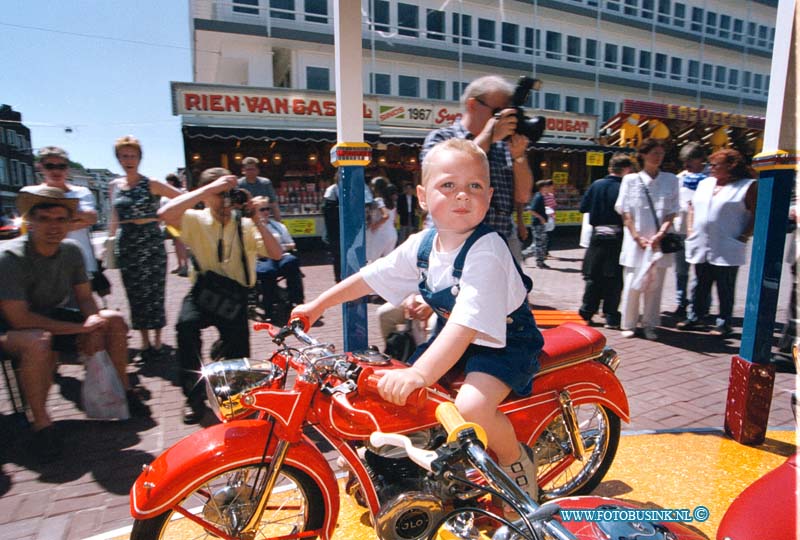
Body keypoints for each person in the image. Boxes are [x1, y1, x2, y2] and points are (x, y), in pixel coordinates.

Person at [291, 139, 543, 502]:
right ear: (423, 197)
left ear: (488, 197)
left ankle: (515, 460)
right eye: (448, 185)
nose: (462, 196)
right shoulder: (424, 244)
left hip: (505, 342)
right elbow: (370, 276)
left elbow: (463, 326)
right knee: (403, 394)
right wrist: (317, 304)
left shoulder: (487, 250)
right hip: (457, 338)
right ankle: (418, 464)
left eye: (474, 186)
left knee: (471, 406)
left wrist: (419, 374)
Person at [0, 187, 148, 462]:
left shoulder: (72, 250)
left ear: (70, 223)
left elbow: (84, 298)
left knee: (113, 321)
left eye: (60, 220)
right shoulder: (10, 257)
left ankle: (124, 392)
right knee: (38, 341)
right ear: (29, 222)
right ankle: (41, 426)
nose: (53, 227)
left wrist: (92, 321)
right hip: (9, 329)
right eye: (44, 219)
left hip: (52, 317)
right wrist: (80, 330)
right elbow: (19, 319)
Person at [158, 167, 283, 424]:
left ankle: (236, 399)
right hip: (204, 290)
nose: (225, 200)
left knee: (239, 353)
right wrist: (206, 190)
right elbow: (164, 214)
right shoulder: (195, 219)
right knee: (186, 327)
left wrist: (255, 217)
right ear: (205, 196)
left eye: (228, 193)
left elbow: (276, 253)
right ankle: (193, 398)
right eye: (219, 194)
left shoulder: (245, 224)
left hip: (235, 295)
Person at [420, 75, 534, 263]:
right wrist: (488, 136)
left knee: (513, 292)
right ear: (472, 104)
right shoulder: (441, 138)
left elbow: (522, 196)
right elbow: (453, 169)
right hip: (454, 241)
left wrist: (519, 157)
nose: (504, 118)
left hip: (501, 239)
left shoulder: (502, 145)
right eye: (498, 112)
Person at [109, 136, 181, 358]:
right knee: (134, 293)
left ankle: (158, 341)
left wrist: (165, 217)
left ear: (140, 158)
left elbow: (182, 198)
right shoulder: (114, 186)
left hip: (150, 241)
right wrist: (108, 243)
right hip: (127, 242)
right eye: (124, 155)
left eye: (133, 155)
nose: (128, 160)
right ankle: (144, 341)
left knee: (154, 292)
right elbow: (114, 215)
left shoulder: (151, 183)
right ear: (118, 158)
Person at [677, 149, 757, 336]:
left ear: (731, 166)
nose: (710, 168)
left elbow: (755, 212)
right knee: (700, 284)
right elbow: (692, 207)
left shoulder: (747, 186)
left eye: (715, 165)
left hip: (727, 244)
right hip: (702, 242)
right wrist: (690, 230)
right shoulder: (705, 183)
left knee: (725, 286)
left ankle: (723, 322)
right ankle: (695, 317)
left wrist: (745, 235)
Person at [615, 138, 680, 340]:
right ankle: (628, 324)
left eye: (661, 153)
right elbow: (625, 212)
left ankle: (651, 324)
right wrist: (637, 237)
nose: (658, 157)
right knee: (632, 284)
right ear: (643, 154)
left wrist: (660, 234)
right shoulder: (630, 180)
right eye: (654, 153)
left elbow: (672, 211)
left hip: (658, 243)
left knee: (655, 286)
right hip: (636, 242)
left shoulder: (671, 180)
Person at [23, 146, 100, 288]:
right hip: (42, 262)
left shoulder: (81, 192)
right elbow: (31, 226)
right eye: (50, 166)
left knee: (82, 305)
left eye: (61, 166)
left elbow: (92, 218)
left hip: (80, 262)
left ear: (67, 168)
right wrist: (74, 218)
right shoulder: (29, 193)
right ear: (41, 167)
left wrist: (50, 216)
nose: (56, 171)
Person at [578, 154, 635, 328]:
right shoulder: (625, 187)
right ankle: (610, 315)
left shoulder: (596, 185)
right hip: (618, 236)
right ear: (627, 169)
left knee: (593, 276)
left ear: (610, 167)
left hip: (597, 236)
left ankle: (587, 312)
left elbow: (583, 207)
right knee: (614, 278)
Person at [253, 196, 305, 321]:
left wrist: (278, 247)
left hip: (281, 256)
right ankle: (268, 308)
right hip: (261, 258)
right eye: (262, 209)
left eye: (267, 209)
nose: (266, 212)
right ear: (254, 211)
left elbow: (291, 244)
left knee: (292, 262)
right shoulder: (249, 228)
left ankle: (296, 301)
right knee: (268, 271)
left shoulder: (277, 226)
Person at [673, 142, 708, 317]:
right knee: (681, 271)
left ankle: (699, 306)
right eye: (685, 161)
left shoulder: (710, 178)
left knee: (701, 274)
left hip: (702, 233)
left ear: (701, 159)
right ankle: (681, 303)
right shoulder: (680, 178)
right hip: (681, 231)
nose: (687, 165)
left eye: (691, 161)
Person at [322, 179, 374, 282]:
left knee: (356, 256)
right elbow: (328, 211)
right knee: (338, 257)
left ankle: (357, 280)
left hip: (354, 229)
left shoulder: (359, 188)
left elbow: (368, 204)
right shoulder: (332, 190)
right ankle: (340, 280)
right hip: (337, 231)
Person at [162, 173, 189, 277]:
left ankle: (186, 266)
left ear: (172, 181)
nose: (167, 183)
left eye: (168, 181)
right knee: (176, 244)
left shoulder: (181, 191)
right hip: (170, 223)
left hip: (180, 221)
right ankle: (179, 265)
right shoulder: (165, 192)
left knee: (181, 243)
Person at [238, 156, 281, 220]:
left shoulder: (265, 183)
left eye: (253, 169)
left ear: (257, 170)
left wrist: (278, 222)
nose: (250, 172)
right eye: (248, 169)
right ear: (243, 170)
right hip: (245, 219)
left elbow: (273, 203)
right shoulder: (238, 184)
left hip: (264, 219)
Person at [366, 176, 398, 262]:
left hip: (380, 234)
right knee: (387, 262)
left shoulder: (379, 200)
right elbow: (394, 219)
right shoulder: (392, 202)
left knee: (373, 260)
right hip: (392, 233)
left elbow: (385, 215)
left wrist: (375, 225)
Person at [525, 179, 553, 269]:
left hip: (540, 224)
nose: (550, 189)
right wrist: (541, 218)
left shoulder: (541, 196)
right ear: (543, 187)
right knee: (539, 243)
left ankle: (533, 258)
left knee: (540, 242)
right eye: (548, 187)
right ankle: (539, 262)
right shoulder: (538, 197)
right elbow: (531, 210)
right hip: (538, 224)